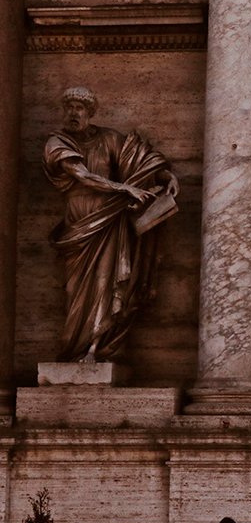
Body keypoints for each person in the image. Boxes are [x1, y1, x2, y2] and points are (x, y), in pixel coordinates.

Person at [43, 85, 178, 361]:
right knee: (74, 289)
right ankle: (74, 348)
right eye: (69, 108)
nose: (73, 113)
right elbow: (83, 176)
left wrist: (164, 177)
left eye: (79, 108)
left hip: (110, 221)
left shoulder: (109, 139)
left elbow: (137, 160)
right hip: (80, 222)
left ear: (90, 112)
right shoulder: (56, 143)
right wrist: (125, 190)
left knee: (106, 282)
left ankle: (94, 348)